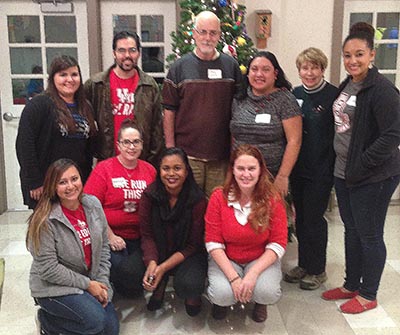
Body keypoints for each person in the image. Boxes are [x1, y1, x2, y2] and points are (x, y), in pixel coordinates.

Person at [322, 22, 400, 314]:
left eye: (359, 54)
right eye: (347, 55)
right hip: (345, 172)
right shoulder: (348, 83)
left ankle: (368, 294)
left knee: (369, 234)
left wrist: (363, 162)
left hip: (374, 176)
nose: (352, 60)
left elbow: (393, 135)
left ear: (372, 55)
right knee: (351, 230)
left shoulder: (382, 90)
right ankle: (351, 284)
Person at [27, 158, 119, 335]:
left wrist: (101, 283)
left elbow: (104, 249)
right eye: (62, 182)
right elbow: (48, 269)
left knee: (110, 330)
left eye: (74, 179)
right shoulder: (44, 220)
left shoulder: (92, 204)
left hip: (89, 280)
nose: (70, 186)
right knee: (95, 322)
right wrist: (87, 285)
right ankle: (47, 322)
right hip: (53, 287)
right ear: (53, 186)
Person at [162, 11, 243, 196]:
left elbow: (238, 110)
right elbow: (169, 111)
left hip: (221, 156)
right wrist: (171, 150)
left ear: (220, 35)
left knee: (217, 206)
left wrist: (234, 150)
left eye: (213, 33)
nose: (208, 38)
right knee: (189, 208)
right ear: (194, 34)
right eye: (203, 32)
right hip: (187, 156)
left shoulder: (231, 67)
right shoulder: (179, 68)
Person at [205, 144, 288, 322]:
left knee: (267, 292)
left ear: (260, 171)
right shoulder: (218, 197)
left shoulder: (273, 198)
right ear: (233, 170)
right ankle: (223, 302)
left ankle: (259, 301)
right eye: (240, 168)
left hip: (259, 259)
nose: (246, 174)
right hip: (227, 259)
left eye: (251, 168)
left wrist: (253, 274)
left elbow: (278, 243)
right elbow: (213, 242)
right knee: (222, 294)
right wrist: (234, 278)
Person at [284, 48, 338, 290]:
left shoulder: (333, 96)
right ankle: (304, 264)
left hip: (321, 170)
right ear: (299, 70)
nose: (309, 73)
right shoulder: (294, 94)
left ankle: (318, 270)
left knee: (315, 219)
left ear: (322, 69)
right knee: (301, 218)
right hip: (298, 170)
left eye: (314, 67)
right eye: (305, 68)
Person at [84, 119, 156, 298]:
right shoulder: (104, 169)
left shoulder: (150, 171)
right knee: (119, 271)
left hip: (141, 238)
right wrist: (110, 236)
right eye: (126, 142)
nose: (131, 147)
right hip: (110, 237)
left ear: (142, 145)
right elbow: (89, 207)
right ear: (118, 145)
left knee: (132, 284)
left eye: (136, 142)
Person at [16, 55, 97, 209]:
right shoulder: (39, 105)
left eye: (74, 74)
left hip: (74, 184)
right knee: (47, 228)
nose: (69, 79)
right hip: (46, 183)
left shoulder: (85, 106)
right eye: (63, 75)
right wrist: (34, 181)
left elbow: (87, 148)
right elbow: (24, 145)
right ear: (53, 78)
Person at [140, 147, 207, 316]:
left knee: (189, 285)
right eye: (166, 168)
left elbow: (193, 245)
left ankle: (190, 291)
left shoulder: (198, 199)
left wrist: (162, 268)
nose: (171, 174)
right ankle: (160, 282)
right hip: (160, 249)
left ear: (186, 171)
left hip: (189, 253)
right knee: (132, 271)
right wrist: (153, 263)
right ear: (159, 170)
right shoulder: (149, 195)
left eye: (177, 168)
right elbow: (147, 235)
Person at [84, 31, 164, 166]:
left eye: (132, 50)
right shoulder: (96, 84)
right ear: (114, 53)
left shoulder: (149, 86)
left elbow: (157, 128)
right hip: (107, 161)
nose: (127, 56)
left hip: (140, 162)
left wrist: (151, 161)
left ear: (138, 53)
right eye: (121, 50)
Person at [230, 51, 302, 196]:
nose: (259, 74)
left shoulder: (285, 100)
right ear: (248, 73)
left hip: (271, 176)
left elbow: (295, 141)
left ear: (275, 73)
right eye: (254, 69)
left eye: (266, 70)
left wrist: (283, 176)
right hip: (240, 175)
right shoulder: (239, 98)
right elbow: (232, 136)